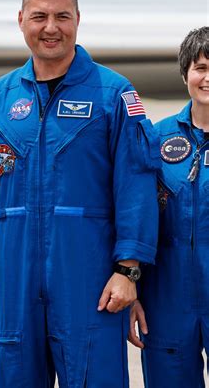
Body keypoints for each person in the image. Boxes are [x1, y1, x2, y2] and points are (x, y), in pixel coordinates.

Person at [0, 0, 160, 387]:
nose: (51, 28)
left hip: (89, 280)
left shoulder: (113, 95)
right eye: (39, 16)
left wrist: (129, 270)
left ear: (78, 20)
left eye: (62, 16)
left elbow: (136, 187)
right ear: (21, 20)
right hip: (16, 280)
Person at [129, 26, 209, 387]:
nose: (208, 78)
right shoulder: (156, 138)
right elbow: (130, 217)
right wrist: (131, 286)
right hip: (166, 297)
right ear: (185, 74)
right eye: (201, 68)